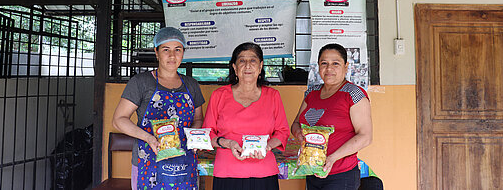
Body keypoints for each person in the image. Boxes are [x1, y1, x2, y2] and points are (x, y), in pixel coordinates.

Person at [112, 27, 205, 190]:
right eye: (165, 49)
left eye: (177, 49)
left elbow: (198, 119)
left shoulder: (192, 85)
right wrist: (149, 138)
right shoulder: (141, 82)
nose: (172, 55)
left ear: (183, 52)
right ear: (156, 52)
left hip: (184, 162)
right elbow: (119, 120)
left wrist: (195, 138)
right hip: (148, 161)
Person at [202, 42, 290, 190]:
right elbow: (208, 133)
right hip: (227, 172)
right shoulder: (219, 95)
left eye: (253, 60)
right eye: (242, 61)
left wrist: (267, 147)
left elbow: (282, 132)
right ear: (235, 68)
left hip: (264, 172)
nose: (248, 65)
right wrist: (228, 143)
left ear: (260, 66)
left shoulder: (273, 96)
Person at [291, 43, 372, 190]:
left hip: (341, 174)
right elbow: (296, 124)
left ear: (346, 66)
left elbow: (365, 137)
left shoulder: (353, 94)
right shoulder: (312, 93)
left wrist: (331, 159)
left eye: (335, 63)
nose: (329, 69)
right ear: (318, 66)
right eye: (324, 63)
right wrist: (299, 135)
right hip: (312, 169)